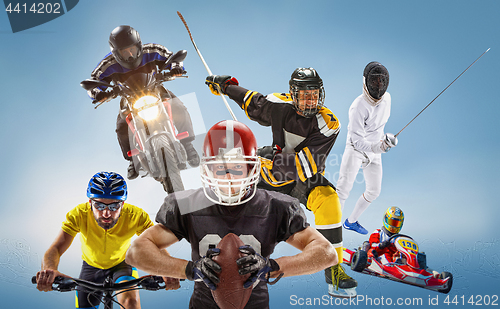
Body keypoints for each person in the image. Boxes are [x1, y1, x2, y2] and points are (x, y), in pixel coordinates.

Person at [125, 120, 338, 308]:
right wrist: (190, 270)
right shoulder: (187, 204)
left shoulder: (276, 206)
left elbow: (326, 253)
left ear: (251, 168)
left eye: (237, 167)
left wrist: (271, 267)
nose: (228, 177)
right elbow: (137, 252)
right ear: (206, 169)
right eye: (220, 168)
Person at [204, 69, 357, 298]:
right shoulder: (280, 104)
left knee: (329, 200)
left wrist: (266, 166)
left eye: (314, 95)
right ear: (293, 94)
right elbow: (254, 104)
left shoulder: (328, 124)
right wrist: (227, 87)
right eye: (305, 95)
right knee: (233, 192)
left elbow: (300, 167)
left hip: (302, 177)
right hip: (271, 164)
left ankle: (334, 271)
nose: (310, 100)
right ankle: (214, 256)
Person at [35, 172, 179, 309]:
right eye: (99, 205)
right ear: (90, 202)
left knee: (131, 302)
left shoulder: (136, 215)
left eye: (114, 206)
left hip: (122, 265)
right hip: (90, 268)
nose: (106, 213)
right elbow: (56, 248)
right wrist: (49, 270)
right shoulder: (78, 214)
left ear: (122, 204)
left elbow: (156, 244)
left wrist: (167, 268)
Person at [86, 25, 199, 180]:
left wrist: (176, 68)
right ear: (115, 53)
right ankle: (132, 159)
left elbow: (171, 57)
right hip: (129, 98)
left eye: (132, 49)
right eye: (124, 52)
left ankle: (187, 145)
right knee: (121, 126)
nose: (130, 54)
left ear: (138, 45)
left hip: (155, 90)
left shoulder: (152, 50)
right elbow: (94, 81)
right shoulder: (107, 64)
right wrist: (98, 94)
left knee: (178, 106)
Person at [336, 61, 398, 235]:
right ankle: (331, 230)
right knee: (342, 190)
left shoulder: (387, 99)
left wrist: (386, 140)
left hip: (376, 150)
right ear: (365, 82)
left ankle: (351, 222)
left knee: (374, 191)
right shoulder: (358, 106)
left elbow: (379, 126)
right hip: (356, 150)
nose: (378, 86)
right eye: (374, 81)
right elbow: (357, 141)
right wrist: (380, 147)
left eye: (381, 81)